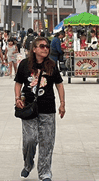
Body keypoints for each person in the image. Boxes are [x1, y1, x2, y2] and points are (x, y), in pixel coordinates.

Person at [15, 37, 65, 181]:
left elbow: (59, 85)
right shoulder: (24, 65)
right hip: (29, 108)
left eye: (47, 46)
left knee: (46, 142)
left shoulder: (51, 65)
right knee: (30, 140)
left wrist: (62, 103)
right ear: (34, 49)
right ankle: (28, 164)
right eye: (42, 46)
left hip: (48, 108)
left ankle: (45, 173)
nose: (45, 48)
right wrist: (17, 98)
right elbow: (18, 83)